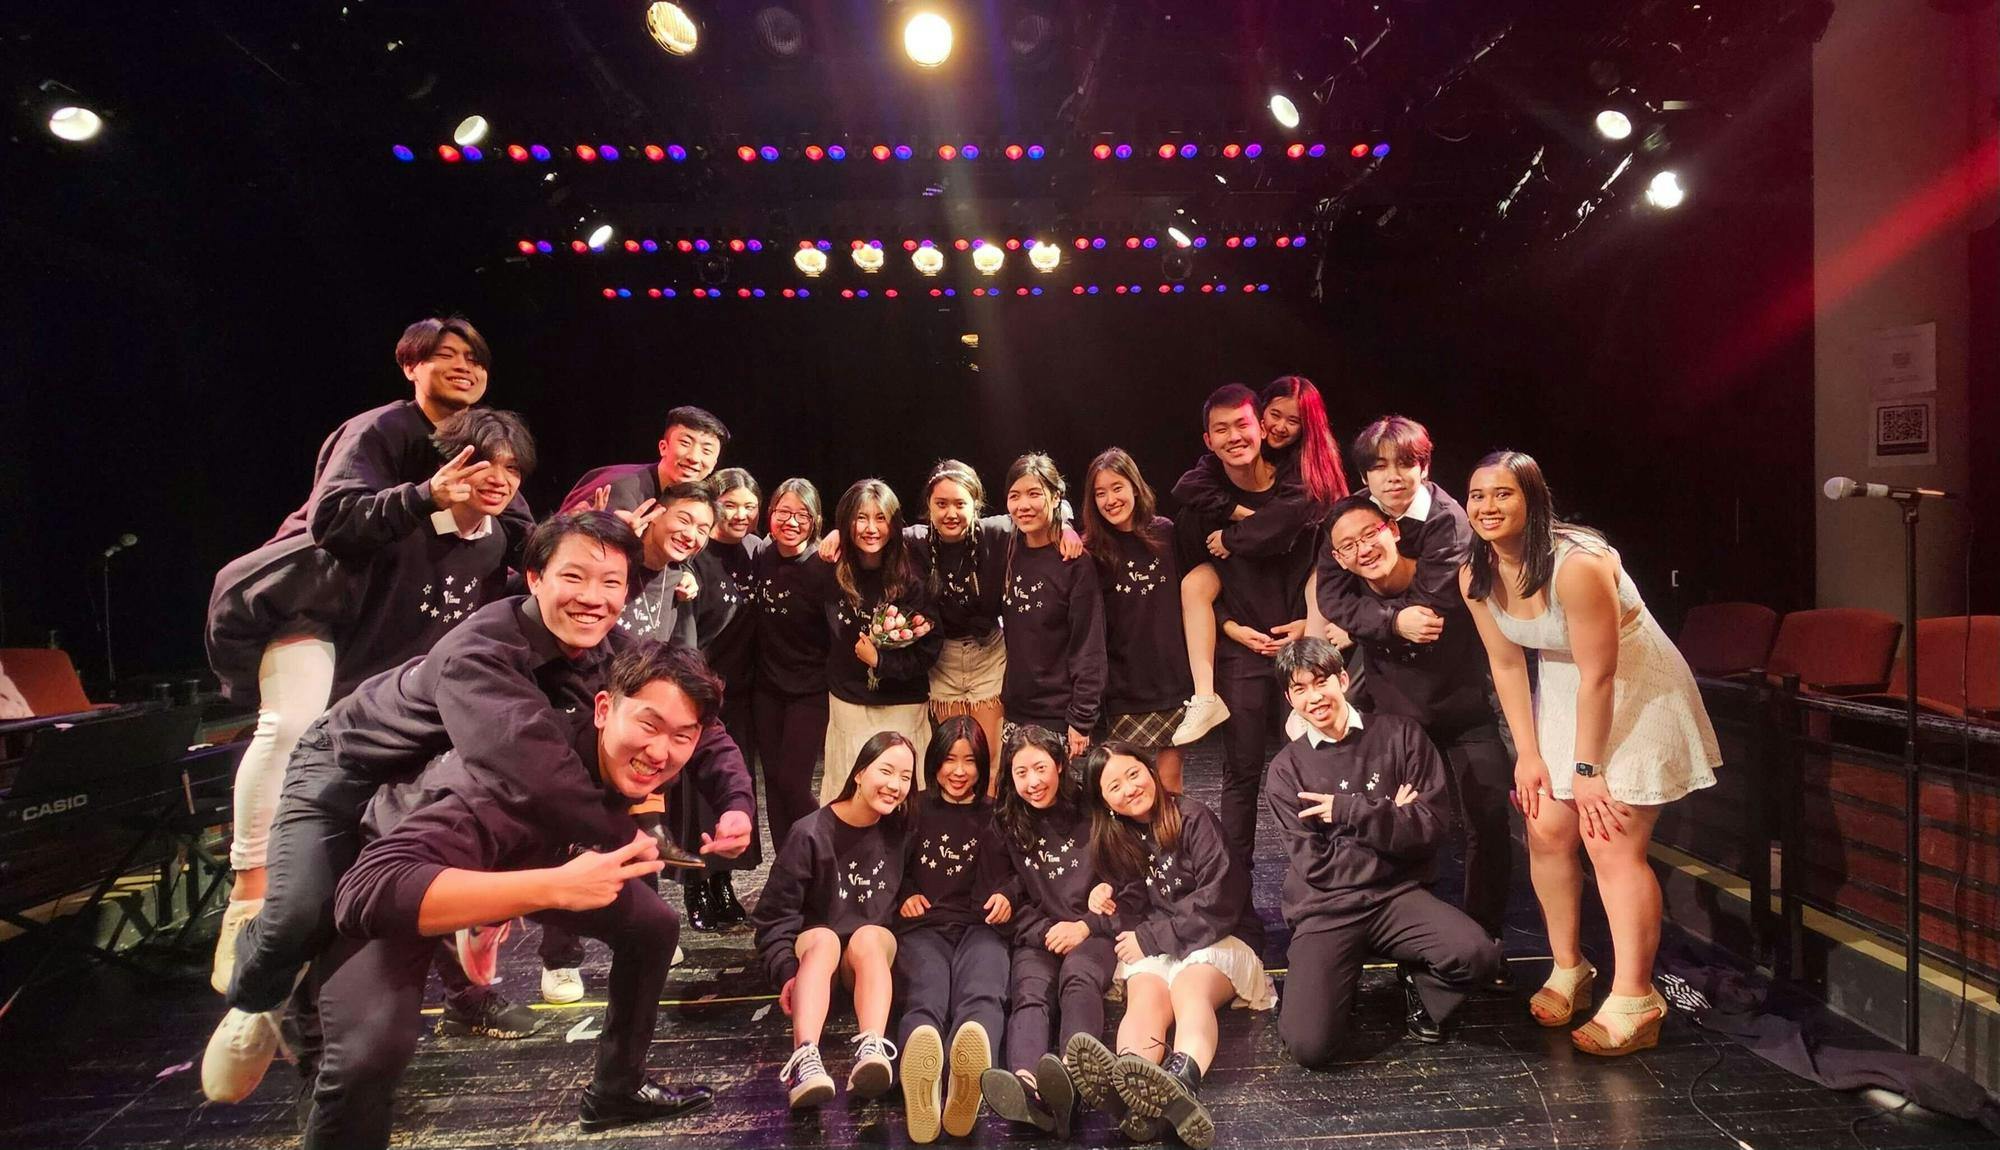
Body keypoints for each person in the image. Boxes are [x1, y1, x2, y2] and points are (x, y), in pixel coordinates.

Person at [200, 511, 642, 1103]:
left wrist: (730, 799)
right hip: (343, 770)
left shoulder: (607, 646)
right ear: (534, 577)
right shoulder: (483, 647)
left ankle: (467, 936)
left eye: (611, 583)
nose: (594, 597)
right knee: (306, 911)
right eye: (576, 577)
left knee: (429, 873)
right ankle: (254, 995)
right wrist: (636, 838)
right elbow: (535, 779)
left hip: (426, 783)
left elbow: (678, 695)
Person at [202, 318, 529, 991]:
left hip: (389, 625)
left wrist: (617, 545)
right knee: (290, 727)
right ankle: (250, 893)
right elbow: (333, 520)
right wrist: (425, 495)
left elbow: (531, 539)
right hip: (315, 605)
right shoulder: (380, 430)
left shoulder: (482, 450)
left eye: (476, 358)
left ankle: (454, 936)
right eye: (446, 356)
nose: (465, 367)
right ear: (409, 365)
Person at [308, 642, 738, 1147]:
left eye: (681, 737)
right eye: (647, 725)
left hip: (514, 858)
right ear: (603, 709)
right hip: (399, 868)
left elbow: (709, 743)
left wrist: (737, 803)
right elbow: (367, 893)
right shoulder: (510, 774)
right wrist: (551, 887)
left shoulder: (605, 760)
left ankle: (616, 1090)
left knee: (653, 926)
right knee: (368, 1052)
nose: (660, 752)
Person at [1459, 451, 1720, 1056]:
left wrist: (1588, 772)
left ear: (1533, 499)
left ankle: (1636, 996)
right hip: (1561, 689)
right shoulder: (1474, 572)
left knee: (1609, 839)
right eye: (1477, 495)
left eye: (1503, 495)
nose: (1487, 507)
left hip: (1632, 688)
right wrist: (1527, 753)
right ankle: (1569, 966)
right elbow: (1504, 662)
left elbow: (1600, 676)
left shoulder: (1576, 565)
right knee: (1546, 825)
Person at [1264, 638, 1504, 1070]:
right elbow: (1314, 864)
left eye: (1321, 682)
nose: (1314, 697)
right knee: (1309, 1048)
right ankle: (1336, 983)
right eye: (1300, 689)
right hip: (1327, 908)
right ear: (1289, 698)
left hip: (1397, 898)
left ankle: (1420, 981)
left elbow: (1431, 828)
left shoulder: (1401, 736)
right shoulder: (1286, 770)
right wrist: (1392, 817)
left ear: (1342, 679)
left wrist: (1347, 812)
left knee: (1480, 955)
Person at [1322, 493, 1514, 944]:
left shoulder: (1444, 577)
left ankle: (1487, 934)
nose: (1362, 549)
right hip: (1400, 719)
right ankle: (1410, 930)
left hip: (1468, 713)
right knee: (1397, 819)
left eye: (1369, 534)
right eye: (1347, 546)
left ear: (1392, 529)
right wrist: (1385, 623)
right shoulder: (1354, 601)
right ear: (1338, 559)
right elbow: (1334, 605)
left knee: (1487, 817)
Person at [1067, 742, 1274, 1150]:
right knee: (1143, 996)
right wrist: (1107, 901)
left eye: (1133, 774)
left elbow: (1223, 897)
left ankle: (1181, 1082)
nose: (1129, 788)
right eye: (1114, 785)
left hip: (1220, 938)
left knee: (1188, 988)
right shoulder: (1116, 839)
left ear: (1150, 770)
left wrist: (1152, 937)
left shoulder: (1193, 818)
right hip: (1159, 943)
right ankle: (1135, 1089)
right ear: (1103, 801)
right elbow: (1134, 909)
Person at [828, 459, 1085, 785]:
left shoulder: (997, 533)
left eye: (960, 503)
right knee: (951, 757)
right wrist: (839, 533)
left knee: (992, 759)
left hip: (988, 656)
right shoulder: (915, 540)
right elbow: (874, 529)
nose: (951, 512)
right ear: (929, 508)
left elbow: (1040, 506)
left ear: (975, 505)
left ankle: (989, 832)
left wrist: (1065, 525)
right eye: (941, 504)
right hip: (943, 661)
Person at [1169, 385, 1323, 886]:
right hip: (1242, 650)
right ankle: (1233, 893)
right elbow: (1198, 584)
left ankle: (1322, 884)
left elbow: (1320, 564)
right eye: (1221, 429)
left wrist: (1311, 625)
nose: (1234, 436)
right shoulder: (1202, 502)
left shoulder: (1296, 488)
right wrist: (1234, 629)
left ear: (1261, 427)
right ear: (1208, 440)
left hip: (1302, 647)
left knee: (1312, 770)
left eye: (1242, 425)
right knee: (1241, 775)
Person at [1170, 375, 1348, 746]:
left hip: (1311, 584)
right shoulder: (1218, 476)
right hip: (1248, 618)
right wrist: (1230, 626)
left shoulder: (1306, 469)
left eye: (1293, 421)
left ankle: (1313, 677)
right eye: (1275, 416)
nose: (1282, 427)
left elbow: (1283, 525)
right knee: (1195, 582)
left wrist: (1232, 537)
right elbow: (1186, 486)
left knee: (1320, 571)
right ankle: (1204, 697)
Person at [979, 725, 1131, 1139]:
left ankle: (1071, 1079)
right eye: (1021, 772)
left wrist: (1087, 924)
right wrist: (1044, 926)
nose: (1032, 782)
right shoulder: (1007, 823)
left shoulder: (1093, 809)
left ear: (1061, 766)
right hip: (1042, 933)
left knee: (1078, 980)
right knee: (1028, 992)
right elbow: (1007, 895)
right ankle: (1026, 1087)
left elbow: (1129, 882)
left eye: (1041, 768)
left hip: (1094, 932)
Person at [752, 732, 917, 1109]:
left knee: (870, 936)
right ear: (859, 773)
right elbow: (773, 919)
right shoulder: (810, 833)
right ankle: (804, 1059)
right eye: (886, 771)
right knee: (824, 938)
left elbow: (911, 887)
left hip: (865, 965)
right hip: (817, 963)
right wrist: (786, 972)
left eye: (905, 777)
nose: (895, 785)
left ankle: (872, 1048)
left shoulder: (903, 832)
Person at [892, 716, 1014, 1144]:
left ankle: (967, 1078)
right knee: (926, 993)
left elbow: (1020, 871)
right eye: (948, 760)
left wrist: (1008, 896)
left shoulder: (997, 813)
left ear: (983, 765)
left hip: (980, 927)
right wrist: (904, 891)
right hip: (923, 926)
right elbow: (890, 864)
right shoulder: (914, 808)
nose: (958, 771)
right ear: (934, 763)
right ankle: (921, 1079)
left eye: (968, 761)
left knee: (984, 990)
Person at [681, 467, 765, 930]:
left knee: (736, 791)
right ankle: (696, 882)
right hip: (699, 692)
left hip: (744, 691)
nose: (740, 514)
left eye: (749, 506)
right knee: (699, 795)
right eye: (730, 505)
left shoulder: (755, 552)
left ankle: (724, 881)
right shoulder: (694, 556)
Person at [1081, 447, 1193, 793]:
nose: (1110, 499)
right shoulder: (1091, 550)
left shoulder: (1166, 534)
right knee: (1130, 784)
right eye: (1100, 493)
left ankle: (1173, 848)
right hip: (1123, 688)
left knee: (1170, 784)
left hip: (1172, 681)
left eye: (1117, 487)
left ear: (1134, 486)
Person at [821, 479, 941, 799]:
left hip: (903, 706)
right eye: (861, 517)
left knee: (902, 801)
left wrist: (882, 662)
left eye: (880, 517)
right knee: (849, 797)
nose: (871, 528)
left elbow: (929, 650)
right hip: (849, 706)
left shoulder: (912, 577)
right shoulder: (831, 572)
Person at [997, 453, 1106, 760]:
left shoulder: (1074, 562)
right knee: (1020, 804)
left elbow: (1089, 644)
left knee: (1063, 805)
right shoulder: (1007, 548)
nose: (1024, 505)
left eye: (1034, 494)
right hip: (1015, 712)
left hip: (1061, 716)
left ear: (1055, 496)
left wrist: (1081, 719)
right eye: (1014, 496)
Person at [749, 479, 833, 852]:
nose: (791, 521)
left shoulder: (824, 566)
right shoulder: (762, 556)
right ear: (770, 515)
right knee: (772, 782)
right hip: (767, 688)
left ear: (815, 521)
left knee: (793, 783)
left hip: (811, 690)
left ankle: (822, 858)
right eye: (784, 512)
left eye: (802, 514)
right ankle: (788, 868)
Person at [561, 405, 730, 513]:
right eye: (685, 443)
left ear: (714, 465)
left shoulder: (688, 499)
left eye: (706, 450)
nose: (694, 457)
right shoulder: (622, 489)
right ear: (663, 447)